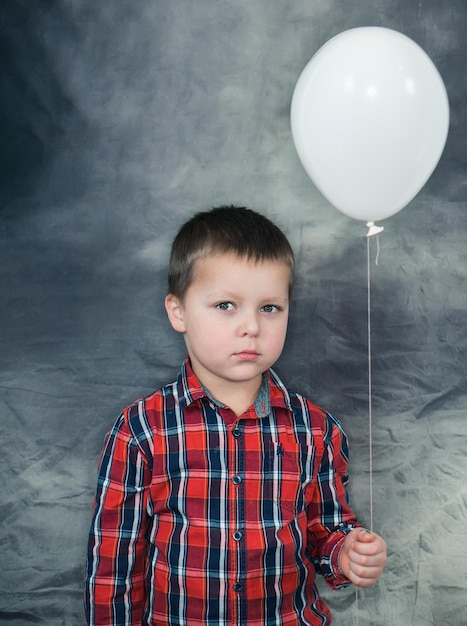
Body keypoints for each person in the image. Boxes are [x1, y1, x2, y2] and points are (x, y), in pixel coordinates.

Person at [84, 205, 387, 625]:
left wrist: (347, 551)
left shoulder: (316, 430)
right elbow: (113, 567)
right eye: (226, 305)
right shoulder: (141, 431)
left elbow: (325, 531)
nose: (251, 327)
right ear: (179, 312)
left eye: (269, 308)